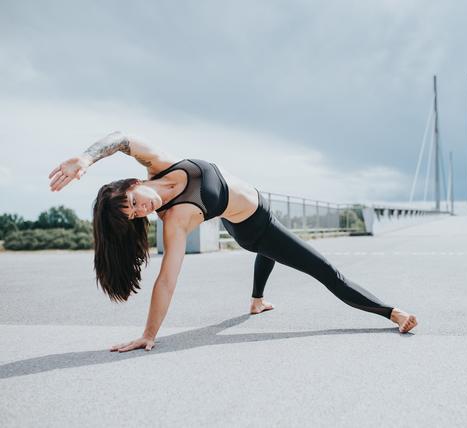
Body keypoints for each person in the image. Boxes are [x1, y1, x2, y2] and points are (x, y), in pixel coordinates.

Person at [49, 131, 418, 352]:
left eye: (133, 203)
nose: (141, 210)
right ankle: (392, 312)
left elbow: (122, 139)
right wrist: (148, 334)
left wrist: (85, 158)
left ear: (133, 184)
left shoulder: (160, 163)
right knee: (323, 269)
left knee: (269, 253)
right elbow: (167, 281)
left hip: (260, 208)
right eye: (134, 216)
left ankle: (257, 300)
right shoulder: (176, 220)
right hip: (254, 226)